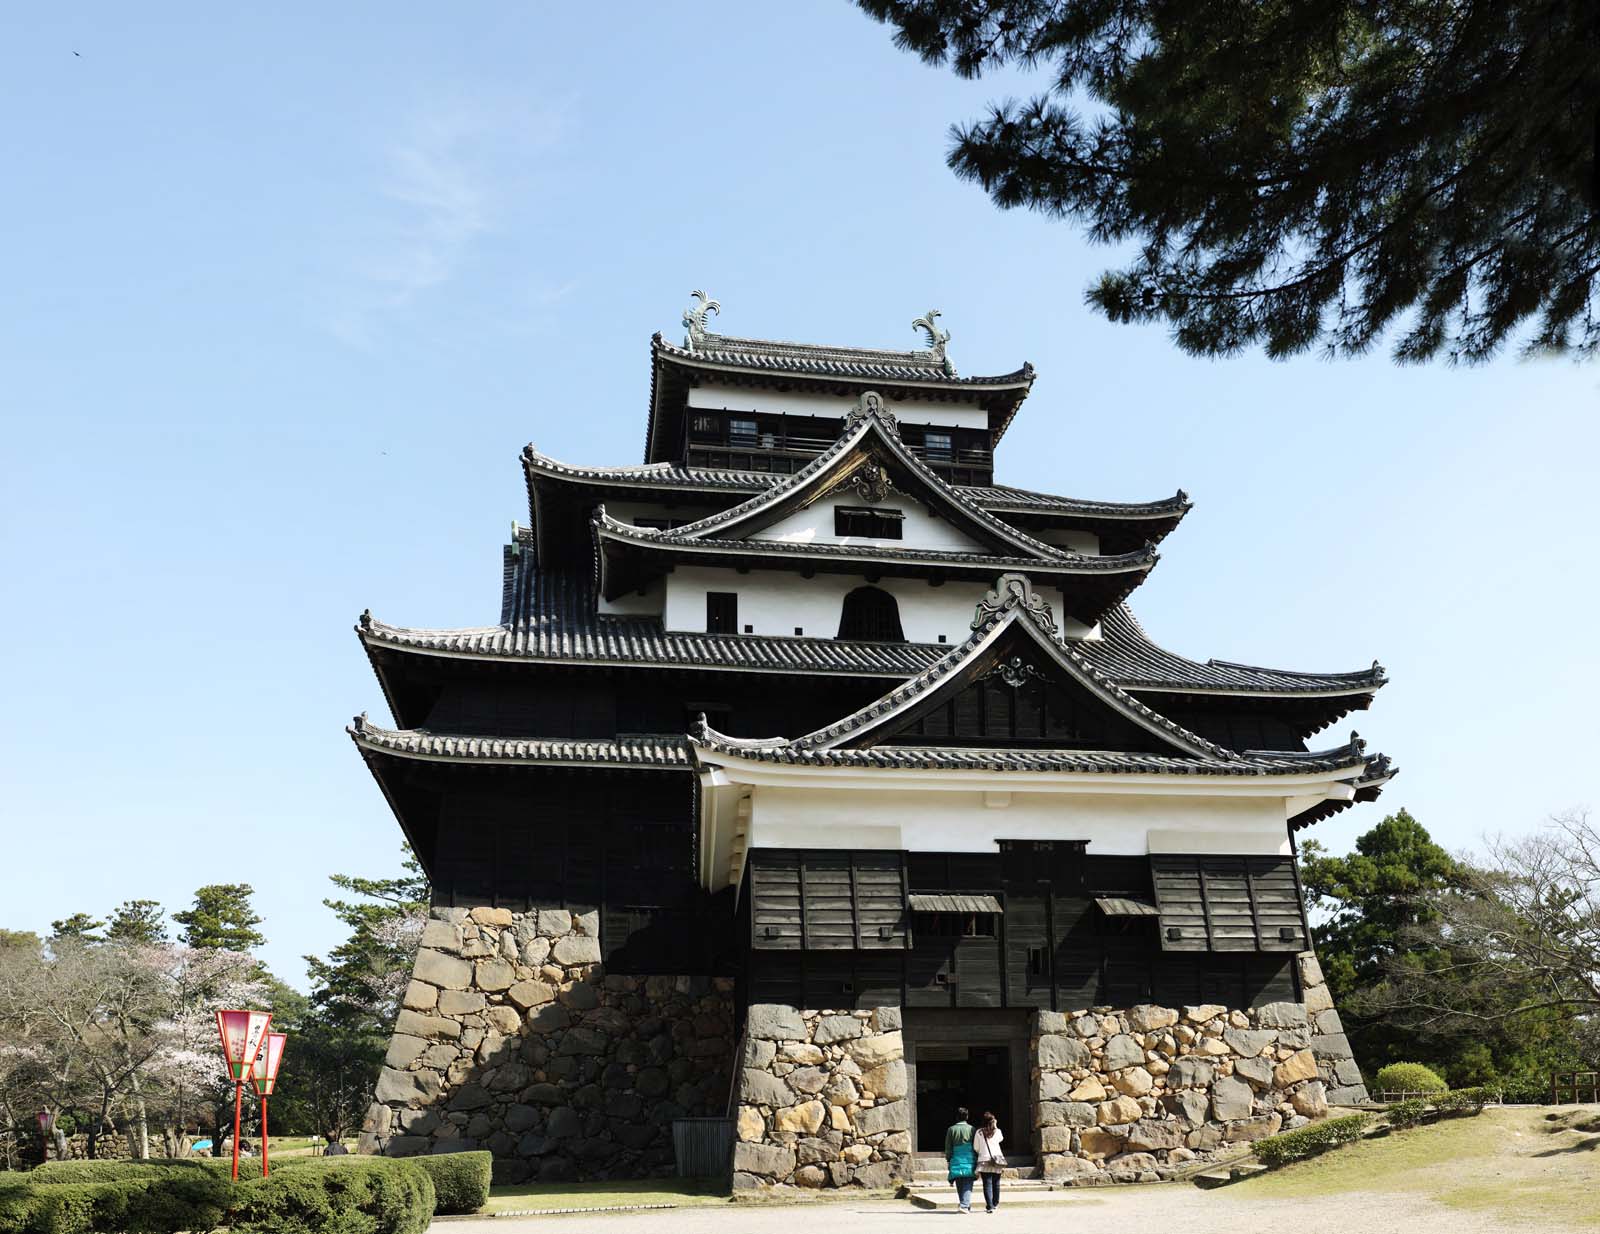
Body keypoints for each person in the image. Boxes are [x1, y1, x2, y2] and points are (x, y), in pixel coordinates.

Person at [943, 1106, 976, 1214]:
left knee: (959, 1181)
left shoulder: (951, 1129)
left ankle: (964, 1203)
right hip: (969, 1157)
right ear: (967, 1116)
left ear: (957, 1117)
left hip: (956, 1157)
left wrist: (948, 1159)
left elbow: (948, 1147)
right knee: (968, 1181)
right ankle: (964, 1205)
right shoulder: (972, 1129)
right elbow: (976, 1146)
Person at [973, 1110, 1005, 1213]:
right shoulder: (998, 1131)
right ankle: (995, 1204)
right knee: (996, 1183)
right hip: (997, 1160)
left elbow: (976, 1147)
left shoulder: (979, 1132)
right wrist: (995, 1126)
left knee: (987, 1184)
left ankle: (989, 1206)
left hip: (984, 1160)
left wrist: (982, 1151)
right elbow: (1000, 1139)